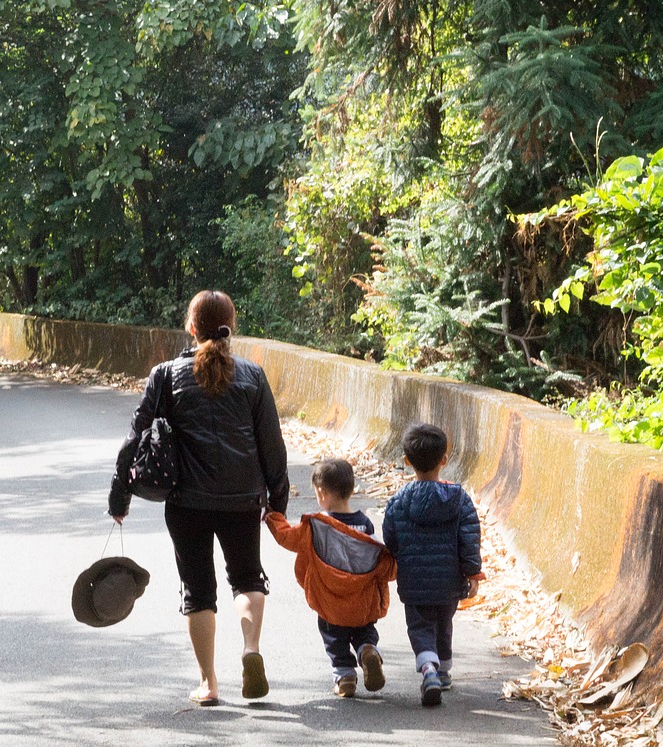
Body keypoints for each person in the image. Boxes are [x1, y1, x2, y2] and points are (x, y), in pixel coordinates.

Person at [109, 289, 289, 707]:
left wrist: (120, 498)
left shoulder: (166, 375)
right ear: (233, 326)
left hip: (186, 501)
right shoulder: (253, 376)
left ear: (191, 328)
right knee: (247, 578)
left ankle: (209, 683)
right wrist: (276, 504)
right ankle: (250, 650)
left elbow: (133, 440)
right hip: (243, 498)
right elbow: (272, 447)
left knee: (197, 590)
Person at [264, 458, 395, 698]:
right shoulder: (365, 525)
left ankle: (345, 676)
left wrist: (273, 517)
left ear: (321, 493)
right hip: (363, 602)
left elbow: (288, 538)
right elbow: (379, 561)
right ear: (352, 490)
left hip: (329, 601)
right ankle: (367, 649)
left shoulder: (317, 526)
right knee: (365, 630)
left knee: (333, 635)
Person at [382, 423, 485, 707]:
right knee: (444, 622)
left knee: (420, 627)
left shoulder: (398, 502)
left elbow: (390, 538)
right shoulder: (459, 499)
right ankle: (444, 670)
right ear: (444, 460)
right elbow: (469, 537)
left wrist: (397, 560)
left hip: (414, 582)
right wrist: (473, 572)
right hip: (449, 581)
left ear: (406, 461)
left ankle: (428, 669)